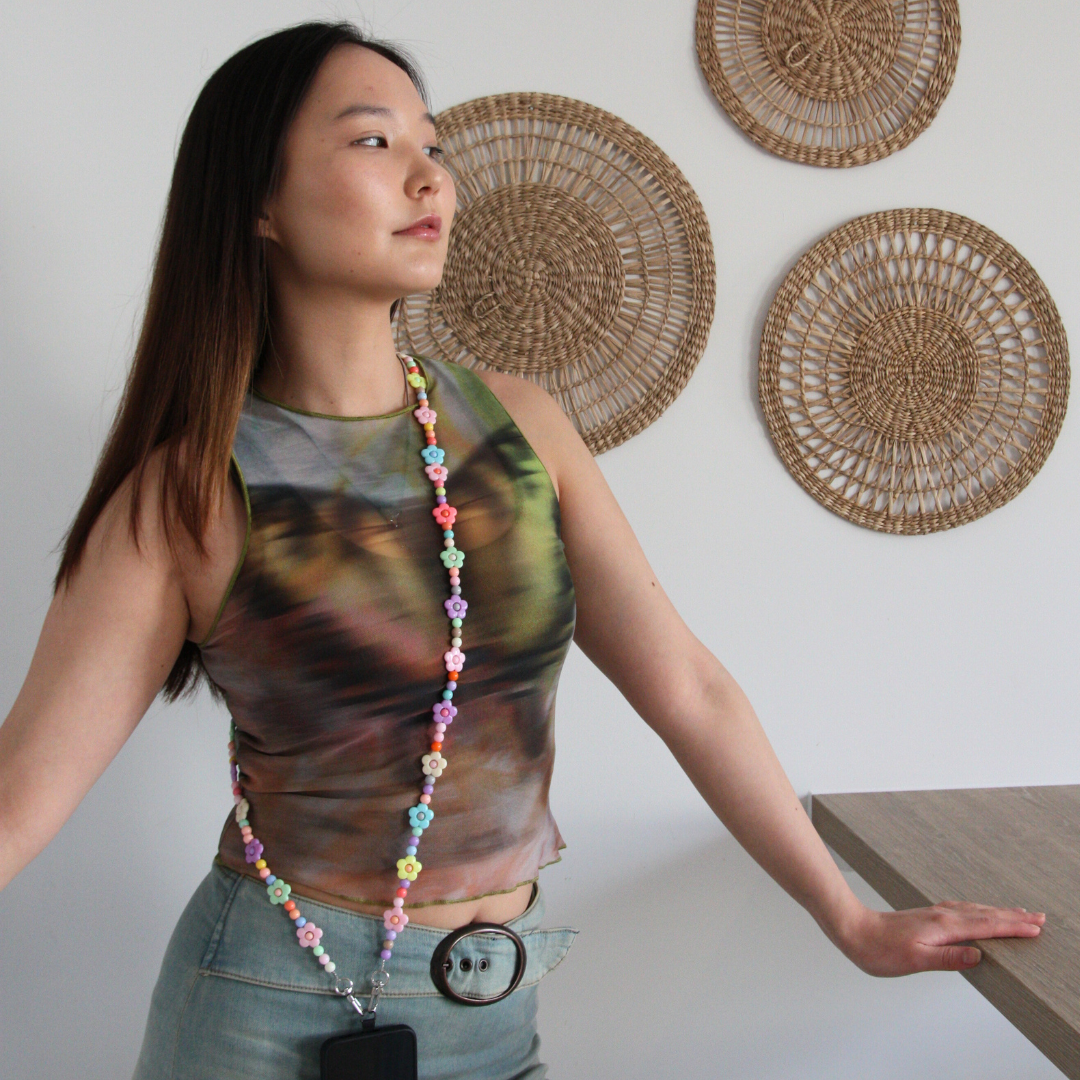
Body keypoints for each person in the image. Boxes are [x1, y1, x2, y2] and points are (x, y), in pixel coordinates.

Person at [0, 19, 1045, 1080]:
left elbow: (688, 687)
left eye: (433, 145)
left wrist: (848, 918)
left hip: (493, 1008)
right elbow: (16, 802)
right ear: (258, 204)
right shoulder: (185, 494)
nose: (428, 179)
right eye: (372, 143)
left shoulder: (522, 429)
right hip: (265, 1006)